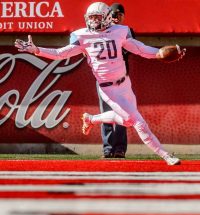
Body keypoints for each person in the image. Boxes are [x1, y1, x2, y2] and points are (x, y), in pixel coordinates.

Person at [14, 2, 186, 165]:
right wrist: (37, 50)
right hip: (108, 88)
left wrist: (159, 53)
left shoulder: (120, 31)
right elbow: (60, 53)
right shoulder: (81, 35)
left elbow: (140, 49)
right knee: (138, 122)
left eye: (97, 17)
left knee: (127, 121)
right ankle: (166, 156)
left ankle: (91, 119)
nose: (93, 20)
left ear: (106, 17)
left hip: (125, 83)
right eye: (91, 17)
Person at [98, 3, 135, 159]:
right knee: (105, 114)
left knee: (122, 114)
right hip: (103, 78)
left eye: (120, 14)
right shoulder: (100, 30)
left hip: (121, 79)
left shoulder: (126, 31)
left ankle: (119, 148)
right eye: (114, 14)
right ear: (107, 15)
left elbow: (130, 49)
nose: (116, 17)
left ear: (123, 16)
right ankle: (107, 148)